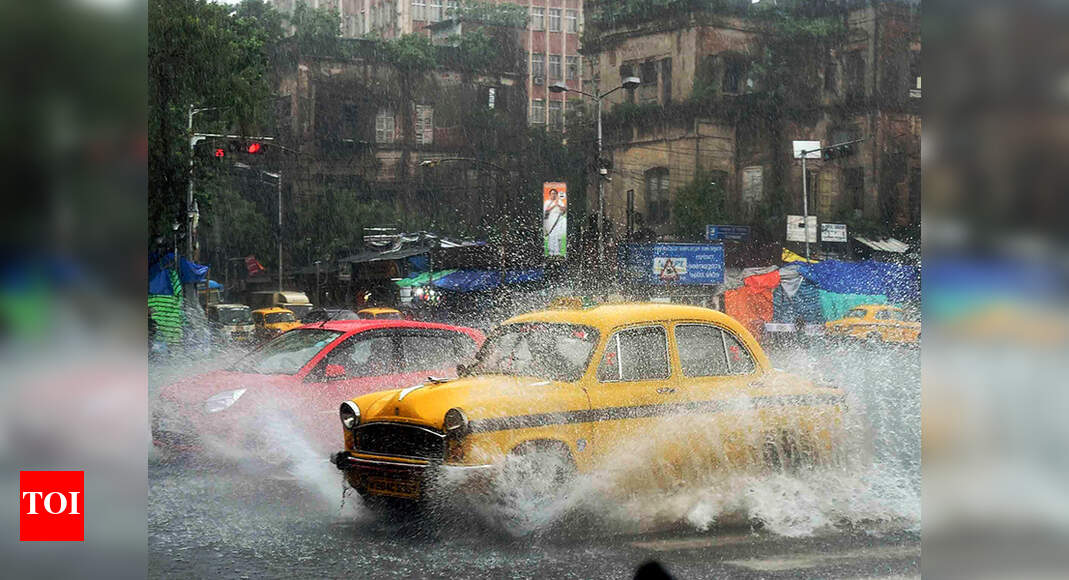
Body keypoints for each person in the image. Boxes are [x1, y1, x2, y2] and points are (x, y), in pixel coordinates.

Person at [543, 188, 567, 256]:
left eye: (554, 194)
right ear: (550, 195)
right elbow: (546, 210)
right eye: (552, 194)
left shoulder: (559, 201)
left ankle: (557, 252)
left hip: (558, 221)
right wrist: (554, 205)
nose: (553, 195)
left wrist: (558, 205)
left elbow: (564, 210)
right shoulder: (547, 202)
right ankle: (551, 252)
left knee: (558, 236)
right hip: (551, 221)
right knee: (552, 236)